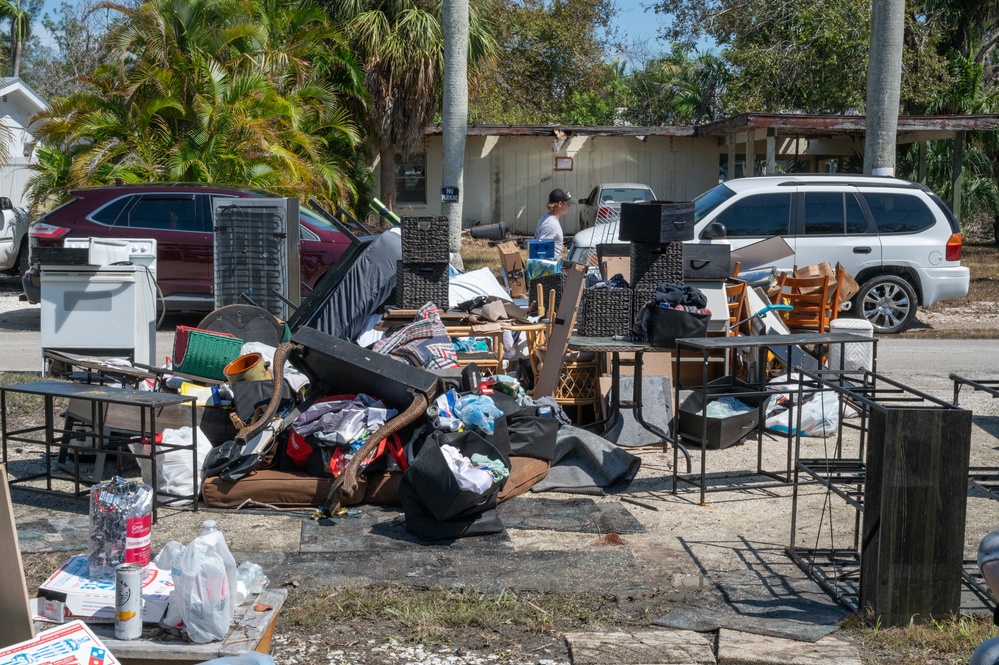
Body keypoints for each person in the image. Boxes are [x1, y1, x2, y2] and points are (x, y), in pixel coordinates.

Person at [535, 188, 571, 257]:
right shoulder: (551, 225)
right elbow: (541, 252)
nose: (569, 206)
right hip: (549, 266)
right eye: (568, 203)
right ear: (560, 204)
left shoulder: (546, 217)